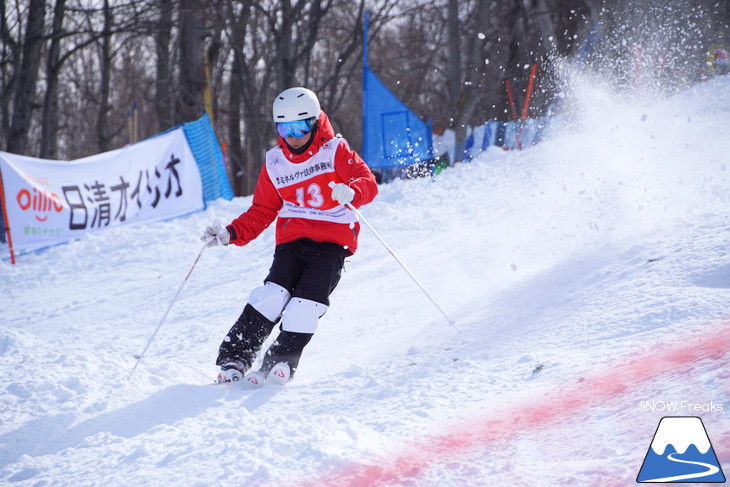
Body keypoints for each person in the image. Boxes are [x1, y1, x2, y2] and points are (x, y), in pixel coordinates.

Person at [201, 87, 378, 386]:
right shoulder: (275, 163)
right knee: (271, 297)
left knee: (305, 306)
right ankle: (236, 356)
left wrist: (352, 192)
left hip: (332, 245)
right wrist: (230, 233)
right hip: (292, 243)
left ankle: (281, 360)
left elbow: (368, 182)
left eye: (301, 126)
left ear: (315, 122)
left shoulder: (335, 151)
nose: (294, 136)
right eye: (286, 128)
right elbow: (261, 210)